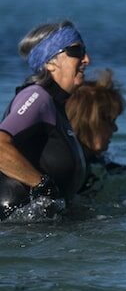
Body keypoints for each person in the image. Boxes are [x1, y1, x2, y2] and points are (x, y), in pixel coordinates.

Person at [0, 21, 90, 218]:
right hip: (15, 229)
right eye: (76, 51)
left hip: (38, 233)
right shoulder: (37, 96)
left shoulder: (56, 106)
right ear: (50, 62)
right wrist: (40, 184)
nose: (86, 59)